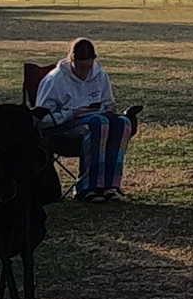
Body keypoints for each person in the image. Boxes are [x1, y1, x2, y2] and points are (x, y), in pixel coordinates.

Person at [34, 36, 135, 199]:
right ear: (72, 60)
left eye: (88, 66)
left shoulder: (100, 76)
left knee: (123, 123)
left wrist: (108, 109)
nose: (84, 72)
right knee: (98, 124)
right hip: (63, 127)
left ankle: (111, 185)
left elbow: (109, 102)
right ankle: (88, 187)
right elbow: (43, 119)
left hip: (97, 119)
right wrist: (73, 112)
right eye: (80, 68)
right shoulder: (55, 80)